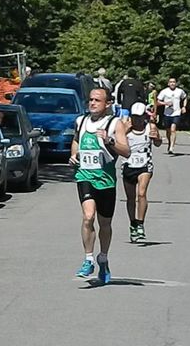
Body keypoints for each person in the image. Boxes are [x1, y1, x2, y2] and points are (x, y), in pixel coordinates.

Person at [69, 88, 129, 284]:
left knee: (105, 224)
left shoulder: (114, 124)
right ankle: (88, 259)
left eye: (97, 100)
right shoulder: (81, 121)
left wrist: (109, 140)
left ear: (107, 104)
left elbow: (126, 151)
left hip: (105, 181)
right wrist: (74, 155)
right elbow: (76, 141)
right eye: (91, 99)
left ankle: (103, 258)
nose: (92, 103)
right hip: (84, 175)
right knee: (88, 217)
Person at [120, 102, 162, 242]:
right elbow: (115, 142)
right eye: (134, 117)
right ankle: (132, 223)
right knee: (130, 198)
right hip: (128, 164)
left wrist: (156, 137)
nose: (137, 120)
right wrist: (124, 132)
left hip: (145, 165)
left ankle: (140, 223)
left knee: (141, 193)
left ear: (144, 116)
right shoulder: (125, 127)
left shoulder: (150, 127)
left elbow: (158, 143)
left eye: (139, 117)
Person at [157, 77, 187, 154]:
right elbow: (157, 102)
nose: (172, 83)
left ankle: (171, 147)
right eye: (171, 82)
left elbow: (185, 97)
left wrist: (184, 107)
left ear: (176, 83)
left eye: (174, 82)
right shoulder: (164, 91)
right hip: (167, 113)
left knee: (173, 129)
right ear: (168, 83)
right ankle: (170, 142)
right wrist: (166, 103)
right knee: (168, 130)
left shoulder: (180, 91)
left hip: (176, 113)